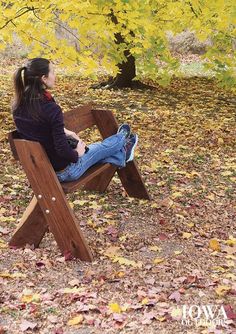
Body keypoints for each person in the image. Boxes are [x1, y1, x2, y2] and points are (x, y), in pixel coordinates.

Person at [12, 58, 138, 182]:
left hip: (40, 170)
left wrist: (66, 132)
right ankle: (124, 139)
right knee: (100, 147)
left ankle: (122, 151)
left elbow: (39, 130)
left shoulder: (18, 106)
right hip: (66, 172)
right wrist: (77, 154)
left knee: (95, 150)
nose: (55, 76)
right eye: (53, 72)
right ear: (43, 78)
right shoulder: (51, 109)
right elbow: (61, 148)